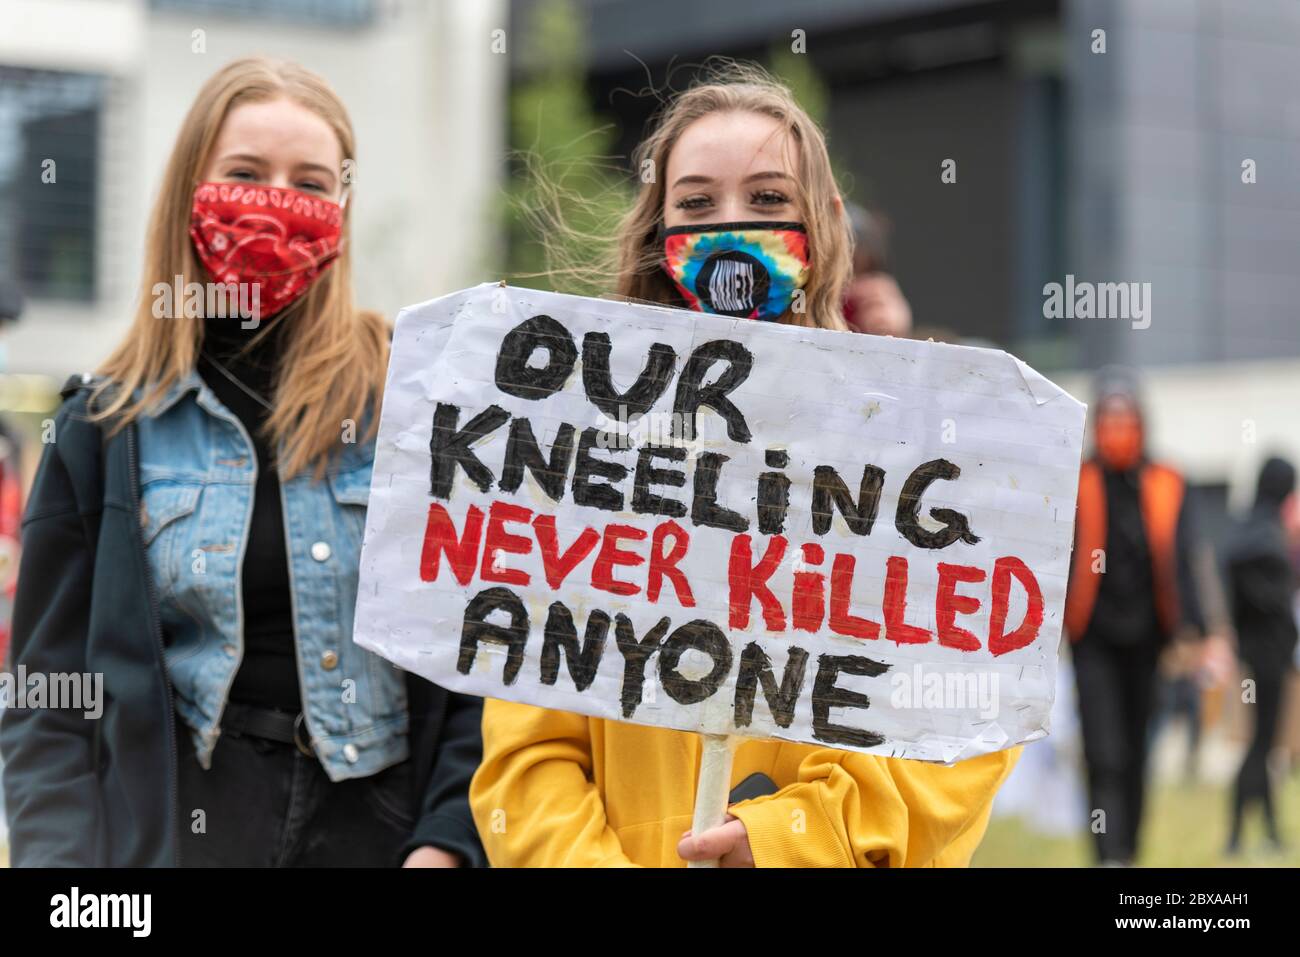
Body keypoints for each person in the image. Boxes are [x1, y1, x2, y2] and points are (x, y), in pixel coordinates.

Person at [470, 63, 1020, 868]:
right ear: (660, 233)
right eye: (696, 204)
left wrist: (789, 839)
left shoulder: (915, 457)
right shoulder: (582, 463)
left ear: (828, 222)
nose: (730, 226)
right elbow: (526, 757)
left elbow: (962, 729)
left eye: (767, 201)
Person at [0, 57, 484, 868]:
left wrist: (448, 843)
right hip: (172, 839)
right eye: (247, 174)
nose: (277, 203)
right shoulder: (104, 425)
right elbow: (47, 699)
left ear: (344, 206)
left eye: (310, 182)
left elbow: (476, 651)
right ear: (191, 187)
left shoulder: (414, 394)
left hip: (378, 835)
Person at [1064, 367, 1206, 866]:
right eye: (1109, 417)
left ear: (1142, 421)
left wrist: (1198, 631)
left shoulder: (1168, 481)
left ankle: (1130, 851)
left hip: (1150, 639)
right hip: (1092, 638)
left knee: (1138, 750)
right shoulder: (1077, 480)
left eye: (1126, 417)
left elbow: (1184, 559)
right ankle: (1108, 854)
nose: (1117, 427)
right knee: (1102, 751)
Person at [1223, 455, 1298, 855]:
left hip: (1252, 656)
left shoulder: (1245, 534)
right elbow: (1281, 610)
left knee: (1264, 744)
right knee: (1260, 745)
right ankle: (1235, 834)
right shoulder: (1270, 540)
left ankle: (1269, 832)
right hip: (1269, 659)